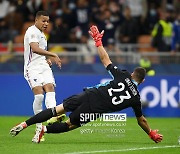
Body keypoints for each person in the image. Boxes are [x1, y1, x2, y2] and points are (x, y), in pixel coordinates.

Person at [10, 25, 163, 144]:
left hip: (89, 94)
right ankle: (43, 130)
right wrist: (150, 133)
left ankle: (25, 124)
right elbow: (141, 120)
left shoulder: (123, 75)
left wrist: (98, 42)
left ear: (131, 74)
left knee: (56, 109)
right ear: (142, 81)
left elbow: (105, 60)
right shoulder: (136, 98)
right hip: (95, 109)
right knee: (70, 125)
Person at [23, 11, 64, 142]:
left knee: (50, 88)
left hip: (43, 66)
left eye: (47, 21)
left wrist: (46, 59)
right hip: (32, 68)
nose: (46, 23)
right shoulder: (32, 31)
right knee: (39, 95)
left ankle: (54, 114)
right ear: (36, 20)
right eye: (43, 21)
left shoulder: (42, 35)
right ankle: (39, 128)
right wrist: (53, 55)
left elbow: (38, 53)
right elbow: (34, 49)